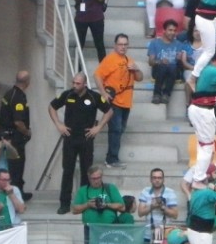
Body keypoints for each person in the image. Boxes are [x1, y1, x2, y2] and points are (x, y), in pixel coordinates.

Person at [49, 72, 112, 215]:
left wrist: (98, 127)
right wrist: (59, 124)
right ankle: (64, 203)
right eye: (73, 82)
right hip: (70, 138)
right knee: (68, 171)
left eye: (78, 83)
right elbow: (52, 107)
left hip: (86, 139)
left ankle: (84, 202)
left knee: (86, 171)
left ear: (84, 84)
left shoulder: (93, 97)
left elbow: (109, 111)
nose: (74, 85)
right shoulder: (67, 95)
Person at [94, 33, 143, 170]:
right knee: (115, 130)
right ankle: (111, 159)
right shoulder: (110, 59)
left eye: (125, 44)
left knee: (119, 130)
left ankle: (112, 157)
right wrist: (103, 93)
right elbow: (97, 75)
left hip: (126, 102)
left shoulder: (130, 60)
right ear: (115, 45)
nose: (123, 47)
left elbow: (140, 78)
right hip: (114, 101)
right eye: (120, 44)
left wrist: (136, 68)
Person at [73, 164, 129, 244]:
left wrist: (106, 205)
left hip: (109, 229)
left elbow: (122, 207)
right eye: (93, 178)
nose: (96, 181)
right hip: (90, 229)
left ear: (102, 177)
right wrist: (87, 205)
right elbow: (74, 210)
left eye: (98, 178)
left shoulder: (110, 188)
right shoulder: (82, 190)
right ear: (88, 178)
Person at [0, 70, 32, 199]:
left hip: (8, 136)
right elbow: (18, 121)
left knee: (13, 165)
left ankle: (18, 190)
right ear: (27, 82)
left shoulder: (9, 94)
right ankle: (17, 193)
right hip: (15, 138)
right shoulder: (18, 97)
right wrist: (27, 132)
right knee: (17, 166)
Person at [73, 0, 107, 64]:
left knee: (100, 44)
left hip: (96, 17)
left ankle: (104, 70)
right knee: (79, 44)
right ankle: (77, 70)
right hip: (82, 17)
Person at [136, 167, 179, 244]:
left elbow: (175, 215)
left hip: (165, 233)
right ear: (150, 179)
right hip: (148, 233)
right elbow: (140, 213)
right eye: (154, 178)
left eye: (159, 178)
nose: (157, 180)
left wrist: (163, 207)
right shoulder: (145, 191)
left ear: (163, 179)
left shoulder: (170, 192)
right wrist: (151, 207)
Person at [147, 19, 183, 106]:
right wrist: (160, 61)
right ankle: (157, 94)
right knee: (163, 66)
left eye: (174, 31)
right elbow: (150, 62)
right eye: (170, 30)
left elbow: (180, 62)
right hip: (159, 70)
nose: (172, 33)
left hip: (174, 72)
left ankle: (166, 94)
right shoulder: (154, 43)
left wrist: (179, 58)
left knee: (173, 67)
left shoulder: (179, 44)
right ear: (164, 30)